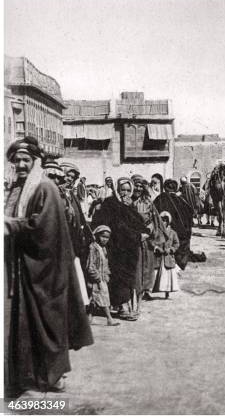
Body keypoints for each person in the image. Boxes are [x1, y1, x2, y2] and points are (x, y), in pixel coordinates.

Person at [4, 137, 93, 396]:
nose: (20, 164)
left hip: (47, 271)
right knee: (27, 324)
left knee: (48, 322)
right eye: (17, 160)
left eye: (26, 160)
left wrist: (9, 225)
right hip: (24, 268)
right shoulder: (19, 188)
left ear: (35, 162)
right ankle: (30, 376)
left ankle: (53, 376)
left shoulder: (45, 188)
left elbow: (42, 229)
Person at [92, 177, 150, 321]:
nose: (125, 193)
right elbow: (118, 226)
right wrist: (137, 235)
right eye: (122, 190)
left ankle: (123, 305)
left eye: (128, 190)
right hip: (116, 246)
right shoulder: (110, 203)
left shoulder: (129, 204)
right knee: (119, 277)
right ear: (117, 190)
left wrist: (144, 231)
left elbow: (137, 222)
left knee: (128, 277)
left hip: (129, 247)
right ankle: (122, 307)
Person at [132, 175, 164, 302]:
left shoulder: (147, 202)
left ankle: (147, 290)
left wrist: (149, 231)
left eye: (141, 186)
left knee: (148, 264)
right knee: (136, 264)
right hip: (134, 237)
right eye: (136, 185)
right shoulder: (128, 201)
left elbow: (154, 219)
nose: (138, 188)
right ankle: (136, 290)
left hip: (147, 237)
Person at [153, 179, 194, 270]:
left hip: (164, 234)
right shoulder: (181, 200)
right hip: (180, 233)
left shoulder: (160, 198)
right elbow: (190, 213)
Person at [86, 225, 119, 326]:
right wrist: (97, 277)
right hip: (96, 278)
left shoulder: (103, 249)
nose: (105, 239)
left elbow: (105, 263)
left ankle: (89, 318)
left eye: (107, 237)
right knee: (103, 297)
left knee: (94, 299)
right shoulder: (93, 248)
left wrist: (106, 274)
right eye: (103, 236)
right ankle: (109, 318)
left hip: (102, 277)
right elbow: (90, 265)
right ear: (97, 236)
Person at [153, 212, 181, 299]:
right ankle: (160, 289)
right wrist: (157, 248)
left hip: (169, 257)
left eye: (165, 221)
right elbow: (153, 242)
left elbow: (176, 244)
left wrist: (171, 249)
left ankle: (167, 292)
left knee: (169, 275)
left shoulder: (173, 233)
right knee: (161, 275)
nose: (164, 222)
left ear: (168, 222)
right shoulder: (157, 232)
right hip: (160, 257)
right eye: (162, 220)